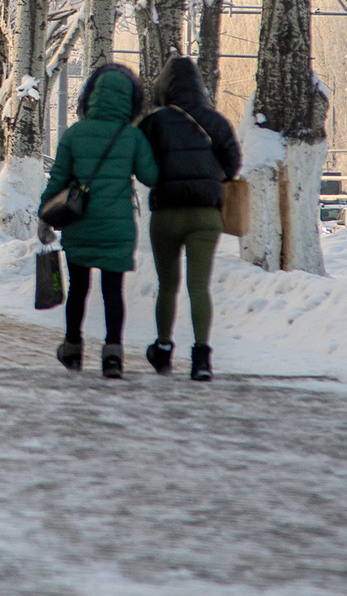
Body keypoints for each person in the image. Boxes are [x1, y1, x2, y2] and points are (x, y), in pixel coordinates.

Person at [37, 63, 157, 379]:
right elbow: (151, 175)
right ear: (130, 101)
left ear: (90, 97)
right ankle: (113, 355)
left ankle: (73, 348)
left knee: (79, 288)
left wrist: (44, 214)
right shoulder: (132, 136)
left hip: (80, 224)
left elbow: (58, 179)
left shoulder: (75, 134)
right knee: (112, 291)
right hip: (118, 228)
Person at [137, 56, 241, 383]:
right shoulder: (217, 121)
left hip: (166, 213)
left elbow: (143, 166)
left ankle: (164, 349)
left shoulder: (154, 122)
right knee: (199, 286)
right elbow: (233, 164)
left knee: (167, 285)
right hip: (206, 215)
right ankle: (201, 359)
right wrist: (207, 178)